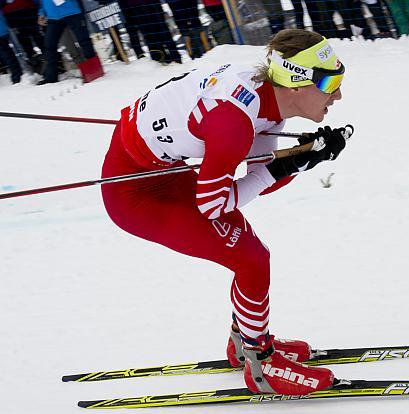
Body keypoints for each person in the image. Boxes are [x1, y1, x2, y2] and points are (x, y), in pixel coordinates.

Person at [101, 29, 350, 395]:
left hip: (165, 169)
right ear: (296, 84)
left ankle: (246, 343)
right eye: (331, 81)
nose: (339, 94)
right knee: (251, 260)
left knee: (252, 258)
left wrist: (300, 160)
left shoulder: (267, 102)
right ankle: (261, 365)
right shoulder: (234, 121)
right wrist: (287, 166)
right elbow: (213, 204)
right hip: (135, 194)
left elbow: (257, 173)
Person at [37, 0, 102, 84]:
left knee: (84, 41)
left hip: (72, 12)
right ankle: (51, 77)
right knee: (49, 45)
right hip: (53, 17)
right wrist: (41, 12)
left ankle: (94, 70)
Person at [0, 7, 22, 83]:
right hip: (3, 29)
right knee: (7, 54)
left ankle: (17, 75)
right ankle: (17, 74)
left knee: (8, 54)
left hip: (3, 31)